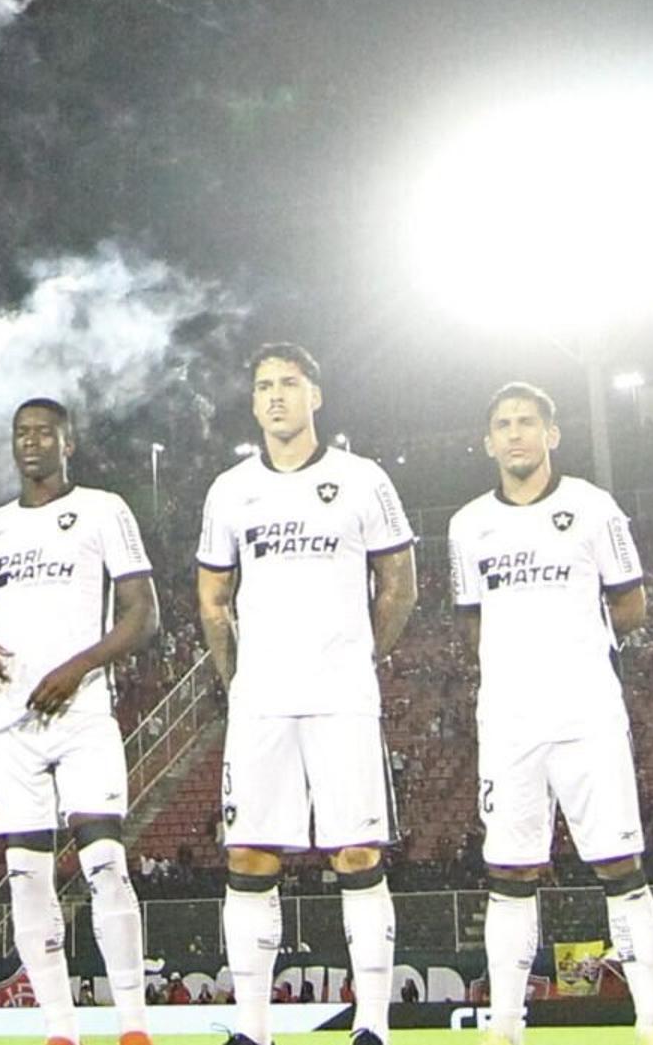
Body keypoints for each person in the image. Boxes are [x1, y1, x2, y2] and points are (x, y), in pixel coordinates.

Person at [193, 341, 415, 1045]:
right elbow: (211, 596)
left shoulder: (362, 479)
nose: (277, 395)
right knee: (251, 855)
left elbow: (400, 584)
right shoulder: (231, 489)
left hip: (342, 694)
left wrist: (361, 654)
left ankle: (372, 1024)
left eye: (290, 382)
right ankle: (253, 1029)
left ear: (316, 394)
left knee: (357, 853)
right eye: (264, 386)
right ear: (254, 402)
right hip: (261, 698)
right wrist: (237, 678)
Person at [447, 381, 653, 1045]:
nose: (515, 433)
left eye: (527, 421)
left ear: (552, 433)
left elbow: (630, 604)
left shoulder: (593, 507)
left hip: (587, 712)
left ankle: (651, 1022)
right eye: (503, 423)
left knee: (620, 863)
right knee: (510, 870)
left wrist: (576, 654)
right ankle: (506, 1027)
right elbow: (471, 621)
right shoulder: (467, 524)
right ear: (488, 441)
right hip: (509, 720)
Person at [0, 398, 159, 1045]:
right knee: (26, 875)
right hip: (10, 722)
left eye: (45, 431)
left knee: (105, 861)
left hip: (82, 711)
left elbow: (141, 612)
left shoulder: (103, 509)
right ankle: (59, 1028)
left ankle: (132, 1025)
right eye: (22, 432)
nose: (32, 441)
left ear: (69, 441)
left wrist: (80, 664)